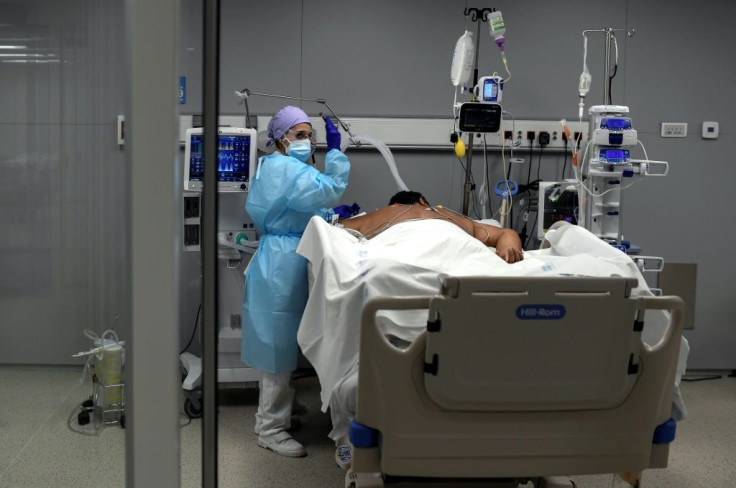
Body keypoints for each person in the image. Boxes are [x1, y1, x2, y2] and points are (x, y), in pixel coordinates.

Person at [242, 105, 350, 457]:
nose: (307, 141)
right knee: (277, 348)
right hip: (282, 263)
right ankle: (269, 429)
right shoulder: (284, 167)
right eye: (300, 135)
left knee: (287, 343)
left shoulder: (279, 167)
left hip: (286, 255)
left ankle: (278, 415)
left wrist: (329, 215)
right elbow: (331, 187)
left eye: (310, 136)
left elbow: (300, 206)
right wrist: (335, 151)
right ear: (279, 138)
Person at [339, 190, 524, 263]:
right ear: (423, 201)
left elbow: (335, 229)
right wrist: (509, 252)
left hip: (398, 260)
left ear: (393, 205)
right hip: (460, 257)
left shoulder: (382, 215)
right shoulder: (452, 217)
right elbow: (506, 233)